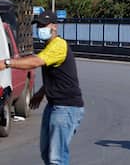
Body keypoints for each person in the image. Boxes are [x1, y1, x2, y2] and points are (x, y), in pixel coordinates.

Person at [0, 9, 84, 165]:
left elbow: (35, 62)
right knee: (47, 153)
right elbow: (58, 77)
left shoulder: (59, 45)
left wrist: (7, 63)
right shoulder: (49, 46)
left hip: (66, 107)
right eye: (38, 25)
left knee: (56, 157)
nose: (40, 29)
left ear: (54, 27)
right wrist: (40, 92)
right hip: (54, 105)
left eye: (43, 25)